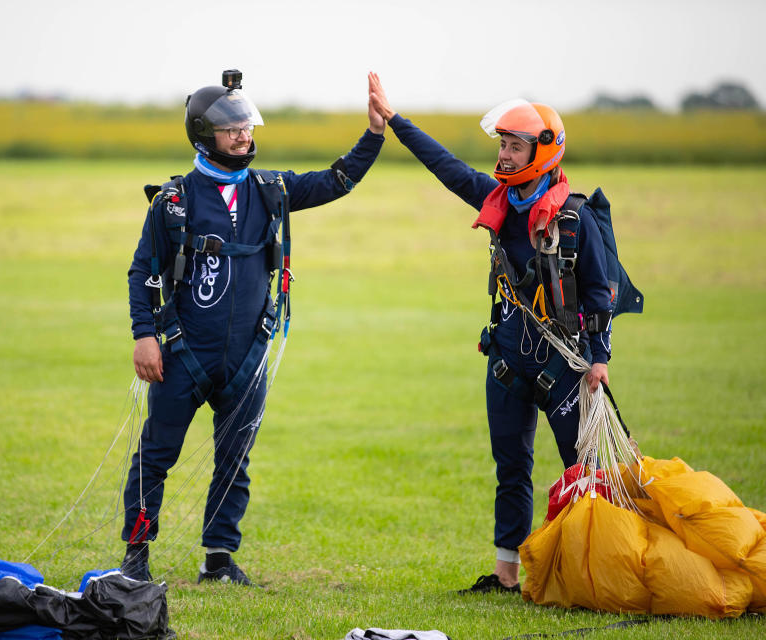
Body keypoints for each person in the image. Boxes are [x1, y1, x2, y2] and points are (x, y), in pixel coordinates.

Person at [121, 70, 386, 586]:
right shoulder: (173, 202)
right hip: (181, 355)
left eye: (247, 125)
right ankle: (135, 556)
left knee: (234, 460)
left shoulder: (271, 191)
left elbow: (337, 181)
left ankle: (218, 559)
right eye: (231, 128)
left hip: (248, 357)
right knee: (156, 457)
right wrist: (143, 334)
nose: (244, 134)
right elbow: (142, 270)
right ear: (204, 134)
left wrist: (373, 135)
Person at [368, 73, 614, 593]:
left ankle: (587, 571)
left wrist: (599, 359)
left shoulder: (575, 218)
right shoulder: (498, 201)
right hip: (505, 355)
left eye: (513, 145)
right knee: (511, 467)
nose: (502, 154)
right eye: (501, 144)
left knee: (579, 468)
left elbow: (597, 292)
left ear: (542, 152)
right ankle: (506, 574)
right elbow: (446, 167)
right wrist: (394, 122)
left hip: (564, 361)